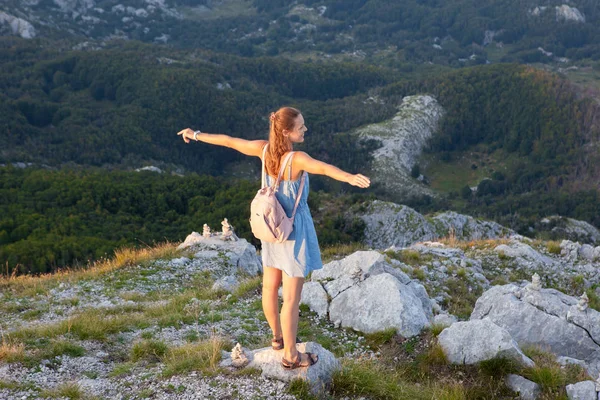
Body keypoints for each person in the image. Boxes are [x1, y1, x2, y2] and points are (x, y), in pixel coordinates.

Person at [177, 106, 370, 369]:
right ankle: (291, 355)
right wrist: (349, 177)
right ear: (287, 132)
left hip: (270, 228)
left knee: (270, 288)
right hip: (293, 231)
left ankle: (278, 339)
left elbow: (229, 142)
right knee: (290, 298)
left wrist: (196, 134)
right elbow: (323, 168)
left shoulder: (263, 149)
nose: (305, 130)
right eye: (301, 127)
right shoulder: (297, 159)